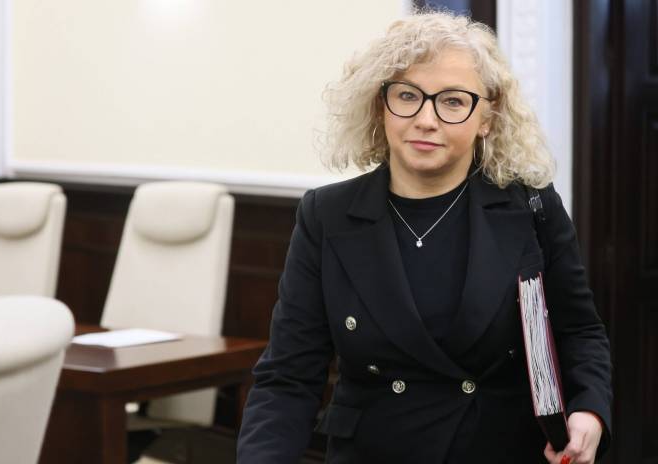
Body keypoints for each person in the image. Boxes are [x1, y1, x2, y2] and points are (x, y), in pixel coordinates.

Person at [237, 11, 612, 464]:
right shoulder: (327, 215)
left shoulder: (530, 206)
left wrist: (590, 409)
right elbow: (289, 376)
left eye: (452, 101)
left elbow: (579, 330)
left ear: (487, 116)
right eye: (408, 96)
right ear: (380, 105)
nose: (426, 119)